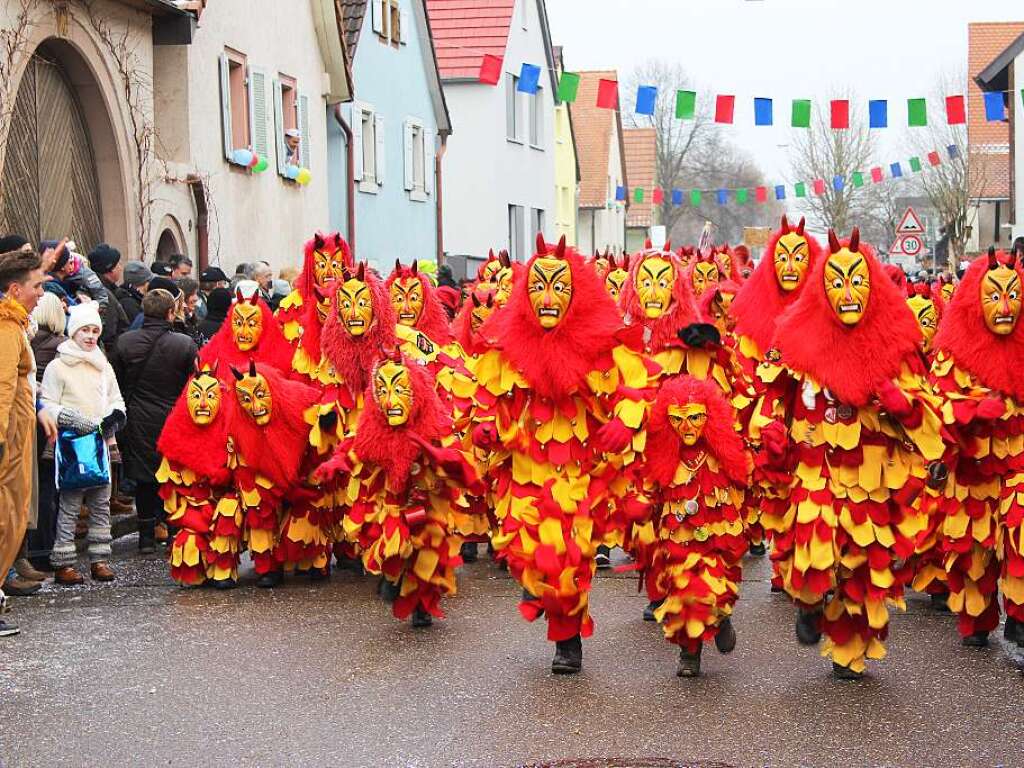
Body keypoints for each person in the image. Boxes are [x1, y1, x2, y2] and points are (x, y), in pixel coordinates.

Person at [40, 302, 126, 584]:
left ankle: (100, 559)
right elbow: (48, 404)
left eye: (94, 331)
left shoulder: (104, 366)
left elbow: (116, 398)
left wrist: (115, 416)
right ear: (73, 332)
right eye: (85, 330)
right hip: (71, 445)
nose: (90, 336)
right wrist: (71, 418)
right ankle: (64, 561)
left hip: (100, 443)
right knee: (70, 504)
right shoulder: (57, 366)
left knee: (101, 503)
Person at [112, 289, 198, 553]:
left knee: (143, 478)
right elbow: (192, 384)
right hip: (174, 417)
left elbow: (116, 381)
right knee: (173, 477)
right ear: (171, 313)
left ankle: (146, 537)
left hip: (136, 417)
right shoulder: (184, 344)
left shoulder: (124, 343)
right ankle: (174, 531)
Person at [0, 248, 46, 637]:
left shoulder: (14, 325)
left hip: (16, 438)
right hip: (8, 442)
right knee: (5, 518)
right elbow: (1, 386)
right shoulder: (5, 327)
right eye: (37, 286)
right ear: (15, 289)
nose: (41, 293)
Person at [25, 292, 68, 570]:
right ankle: (43, 549)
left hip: (29, 418)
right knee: (48, 488)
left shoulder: (28, 340)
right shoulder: (60, 346)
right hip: (51, 423)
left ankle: (27, 552)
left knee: (28, 489)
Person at [87, 244, 130, 352]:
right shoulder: (103, 294)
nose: (121, 267)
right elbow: (110, 333)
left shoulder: (106, 290)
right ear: (110, 269)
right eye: (118, 264)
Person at [45, 240, 107, 307]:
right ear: (62, 267)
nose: (72, 267)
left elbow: (101, 296)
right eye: (70, 263)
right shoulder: (51, 285)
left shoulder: (83, 275)